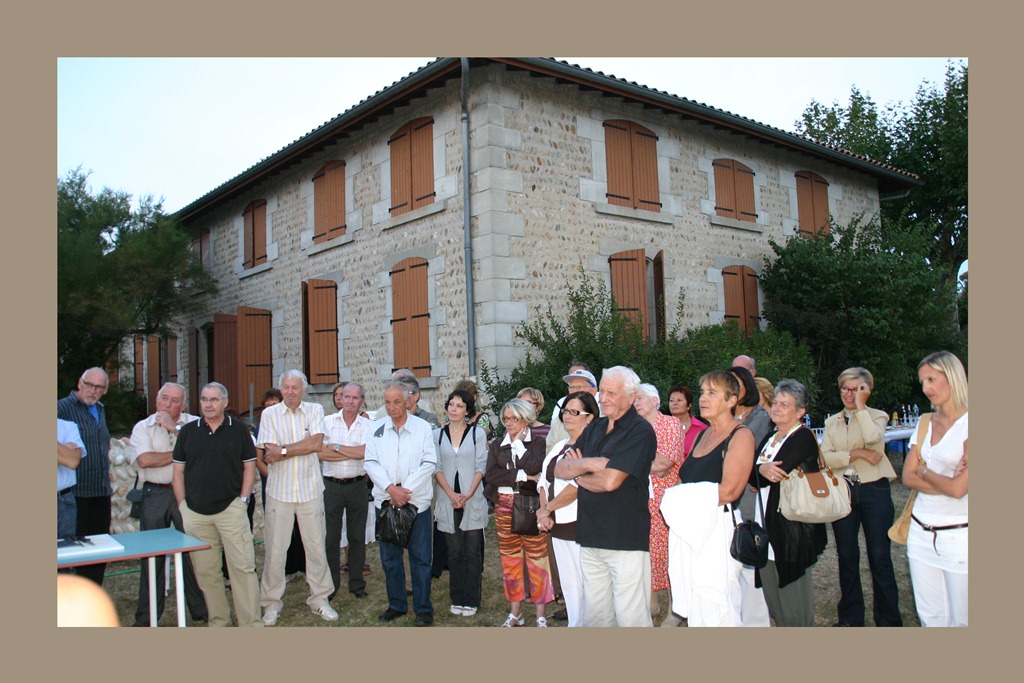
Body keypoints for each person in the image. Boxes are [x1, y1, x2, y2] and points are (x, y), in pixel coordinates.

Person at [554, 366, 656, 627]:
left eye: (612, 392)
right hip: (590, 535)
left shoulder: (640, 431)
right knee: (596, 616)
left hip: (625, 539)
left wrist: (579, 470)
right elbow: (560, 467)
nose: (604, 398)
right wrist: (594, 463)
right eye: (602, 391)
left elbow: (610, 482)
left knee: (630, 616)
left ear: (632, 396)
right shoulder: (595, 427)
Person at [661, 370, 756, 626]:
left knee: (719, 605)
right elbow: (683, 479)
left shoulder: (741, 436)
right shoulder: (703, 435)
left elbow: (730, 491)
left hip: (718, 530)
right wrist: (672, 498)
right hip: (689, 528)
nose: (704, 398)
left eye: (712, 393)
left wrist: (678, 498)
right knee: (696, 601)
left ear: (731, 400)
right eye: (702, 392)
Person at [172, 382, 262, 627]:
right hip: (196, 514)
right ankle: (218, 622)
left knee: (242, 569)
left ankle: (250, 623)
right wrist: (183, 507)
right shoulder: (188, 432)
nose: (208, 404)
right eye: (204, 399)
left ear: (225, 402)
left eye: (213, 400)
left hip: (231, 510)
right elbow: (178, 473)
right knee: (207, 574)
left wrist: (242, 501)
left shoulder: (240, 431)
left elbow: (249, 467)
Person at [820, 367, 902, 627]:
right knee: (846, 556)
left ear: (867, 390)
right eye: (845, 388)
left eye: (856, 389)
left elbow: (873, 438)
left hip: (874, 490)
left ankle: (888, 620)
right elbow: (825, 459)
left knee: (879, 557)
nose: (849, 393)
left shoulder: (877, 416)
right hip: (844, 491)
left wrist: (862, 408)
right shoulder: (832, 422)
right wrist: (856, 454)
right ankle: (850, 618)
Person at [257, 370, 337, 625]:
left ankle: (320, 599)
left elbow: (315, 444)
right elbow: (268, 453)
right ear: (281, 389)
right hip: (279, 492)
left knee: (315, 548)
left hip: (310, 491)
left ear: (304, 389)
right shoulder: (269, 414)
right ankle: (271, 604)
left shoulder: (314, 410)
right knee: (275, 550)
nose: (290, 391)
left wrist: (283, 449)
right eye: (286, 387)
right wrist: (291, 448)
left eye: (295, 387)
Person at [128, 382, 208, 626]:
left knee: (192, 553)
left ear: (184, 405)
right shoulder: (143, 427)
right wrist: (182, 454)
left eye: (175, 401)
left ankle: (200, 609)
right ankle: (147, 616)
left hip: (188, 494)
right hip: (156, 494)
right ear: (156, 400)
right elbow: (145, 460)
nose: (169, 404)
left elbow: (205, 451)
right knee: (152, 556)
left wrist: (176, 429)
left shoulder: (195, 423)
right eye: (165, 398)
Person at [753, 379, 828, 627]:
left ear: (800, 412)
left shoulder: (802, 437)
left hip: (792, 526)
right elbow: (756, 475)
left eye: (784, 404)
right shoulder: (770, 438)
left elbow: (773, 475)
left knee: (793, 591)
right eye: (775, 402)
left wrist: (758, 471)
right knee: (772, 590)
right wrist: (760, 470)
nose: (776, 407)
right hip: (766, 522)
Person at [902, 351, 968, 627]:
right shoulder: (925, 422)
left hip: (960, 537)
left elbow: (958, 490)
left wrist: (925, 471)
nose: (926, 388)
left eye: (932, 379)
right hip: (919, 533)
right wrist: (946, 481)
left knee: (963, 620)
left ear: (952, 377)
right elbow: (907, 476)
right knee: (930, 618)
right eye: (922, 382)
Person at [365, 380, 438, 626]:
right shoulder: (375, 429)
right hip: (386, 502)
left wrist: (404, 490)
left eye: (397, 401)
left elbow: (429, 462)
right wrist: (390, 489)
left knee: (420, 558)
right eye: (387, 402)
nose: (392, 407)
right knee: (390, 558)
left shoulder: (423, 428)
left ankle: (423, 608)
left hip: (416, 502)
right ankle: (396, 604)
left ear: (408, 401)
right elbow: (370, 462)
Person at [484, 397, 552, 626]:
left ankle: (540, 614)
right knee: (510, 560)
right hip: (503, 504)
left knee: (537, 559)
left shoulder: (538, 443)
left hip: (531, 505)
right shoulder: (496, 444)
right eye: (506, 418)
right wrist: (523, 476)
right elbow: (492, 475)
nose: (509, 423)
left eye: (514, 418)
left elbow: (537, 468)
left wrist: (520, 447)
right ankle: (516, 612)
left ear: (526, 419)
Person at [537, 391, 598, 627]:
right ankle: (575, 623)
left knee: (587, 582)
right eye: (565, 411)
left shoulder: (590, 446)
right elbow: (543, 479)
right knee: (569, 582)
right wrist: (545, 511)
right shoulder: (560, 445)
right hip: (557, 524)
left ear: (590, 417)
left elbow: (577, 486)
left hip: (579, 523)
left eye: (575, 412)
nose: (568, 416)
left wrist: (547, 509)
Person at [432, 389, 488, 617]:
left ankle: (471, 599)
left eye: (459, 406)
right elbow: (435, 467)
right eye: (451, 405)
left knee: (472, 552)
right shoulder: (437, 435)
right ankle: (457, 597)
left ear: (467, 411)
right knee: (454, 553)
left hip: (472, 498)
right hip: (447, 500)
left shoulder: (477, 434)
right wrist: (451, 494)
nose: (454, 409)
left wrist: (467, 493)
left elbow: (480, 466)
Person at [633, 383, 685, 625]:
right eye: (634, 398)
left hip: (665, 503)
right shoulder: (633, 426)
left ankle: (676, 609)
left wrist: (632, 462)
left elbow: (664, 463)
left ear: (655, 401)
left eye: (641, 398)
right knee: (646, 554)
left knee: (671, 556)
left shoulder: (670, 424)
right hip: (638, 500)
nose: (636, 402)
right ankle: (650, 604)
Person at [728, 364, 773, 626]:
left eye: (737, 383)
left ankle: (756, 622)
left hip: (747, 494)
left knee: (748, 554)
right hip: (726, 495)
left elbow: (742, 452)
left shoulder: (759, 417)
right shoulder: (726, 416)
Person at [319, 381, 373, 601]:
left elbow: (365, 453)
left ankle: (357, 583)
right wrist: (352, 452)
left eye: (355, 398)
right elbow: (321, 453)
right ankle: (331, 585)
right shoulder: (327, 423)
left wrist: (338, 447)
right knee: (331, 538)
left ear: (362, 401)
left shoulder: (368, 426)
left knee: (356, 536)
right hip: (331, 486)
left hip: (358, 485)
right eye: (346, 397)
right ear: (340, 399)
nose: (350, 401)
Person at [57, 367, 112, 585]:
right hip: (74, 496)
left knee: (98, 550)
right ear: (80, 382)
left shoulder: (100, 409)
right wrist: (67, 448)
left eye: (99, 387)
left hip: (100, 492)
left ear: (105, 390)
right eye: (89, 384)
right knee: (72, 554)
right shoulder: (61, 408)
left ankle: (93, 595)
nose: (93, 390)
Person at [547, 363, 599, 446]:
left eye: (579, 387)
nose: (575, 391)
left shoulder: (607, 417)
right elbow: (549, 450)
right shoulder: (559, 422)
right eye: (572, 387)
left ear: (594, 390)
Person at [57, 419, 86, 540]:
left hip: (63, 501)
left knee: (66, 551)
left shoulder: (68, 427)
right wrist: (63, 451)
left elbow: (72, 461)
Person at [667, 385, 708, 457]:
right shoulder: (661, 427)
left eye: (679, 400)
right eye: (671, 400)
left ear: (689, 405)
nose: (675, 403)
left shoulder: (702, 429)